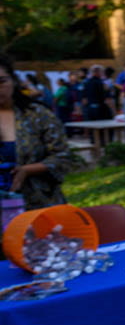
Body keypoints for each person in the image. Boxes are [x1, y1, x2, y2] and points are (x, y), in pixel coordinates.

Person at [0, 54, 72, 210]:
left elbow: (62, 156)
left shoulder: (37, 114)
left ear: (13, 81)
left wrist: (26, 170)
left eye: (2, 81)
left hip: (41, 205)